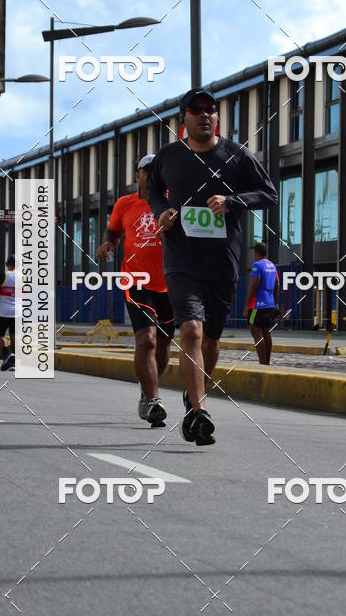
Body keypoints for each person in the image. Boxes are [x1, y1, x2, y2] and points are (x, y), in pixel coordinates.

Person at [147, 87, 278, 446]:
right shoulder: (169, 156)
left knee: (213, 341)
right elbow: (154, 190)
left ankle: (195, 391)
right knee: (190, 331)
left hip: (222, 262)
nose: (205, 115)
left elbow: (269, 193)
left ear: (216, 117)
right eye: (196, 110)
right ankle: (199, 411)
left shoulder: (236, 155)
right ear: (183, 119)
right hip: (181, 259)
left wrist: (232, 200)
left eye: (211, 110)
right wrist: (162, 212)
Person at [97, 154, 173, 426]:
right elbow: (113, 232)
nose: (152, 175)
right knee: (147, 339)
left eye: (157, 171)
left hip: (172, 283)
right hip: (136, 280)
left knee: (164, 343)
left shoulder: (173, 203)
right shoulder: (125, 203)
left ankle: (147, 386)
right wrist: (109, 245)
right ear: (136, 175)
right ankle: (152, 399)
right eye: (147, 171)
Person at [243, 242, 279, 365]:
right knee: (266, 332)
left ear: (256, 252)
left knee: (256, 332)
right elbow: (276, 287)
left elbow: (254, 285)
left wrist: (247, 305)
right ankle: (267, 362)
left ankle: (262, 362)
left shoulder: (257, 265)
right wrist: (276, 304)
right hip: (269, 304)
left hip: (257, 305)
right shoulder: (272, 266)